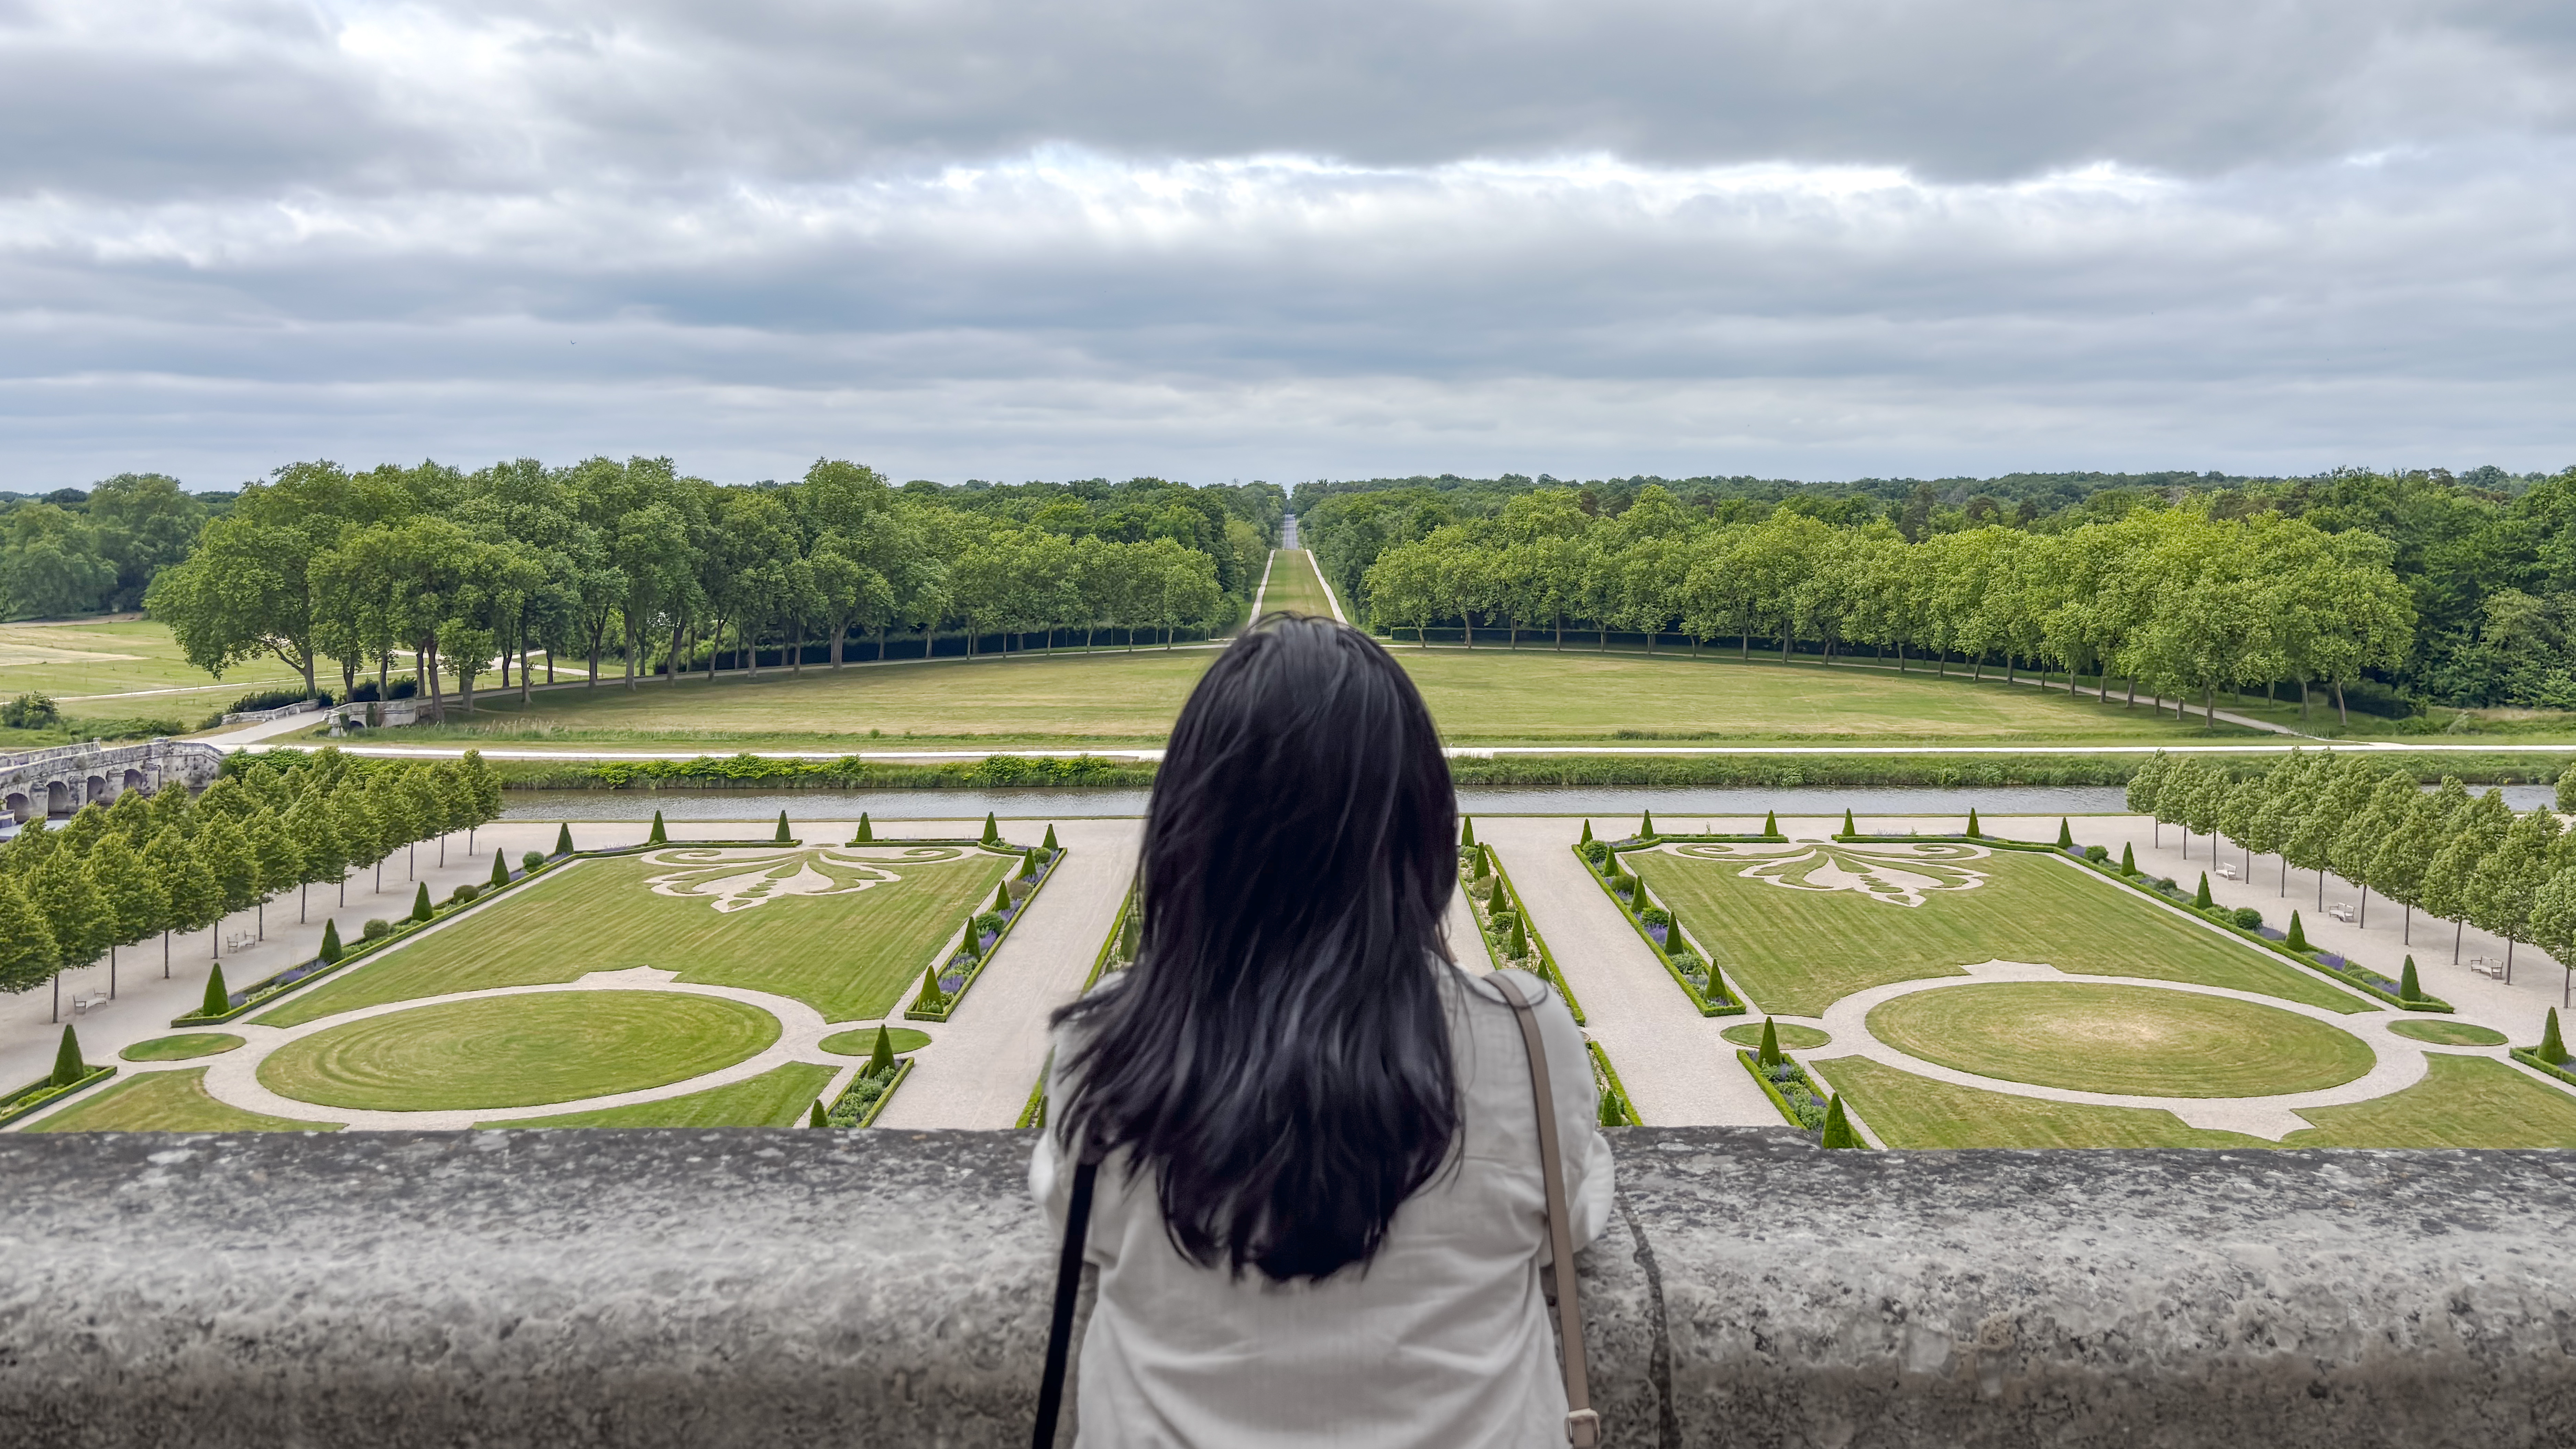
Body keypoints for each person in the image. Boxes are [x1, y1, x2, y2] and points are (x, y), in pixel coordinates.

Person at [1031, 614, 1614, 1447]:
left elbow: (1068, 1210)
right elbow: (1572, 1207)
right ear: (1419, 829)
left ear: (1188, 833)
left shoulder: (1106, 1042)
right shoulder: (1525, 1037)